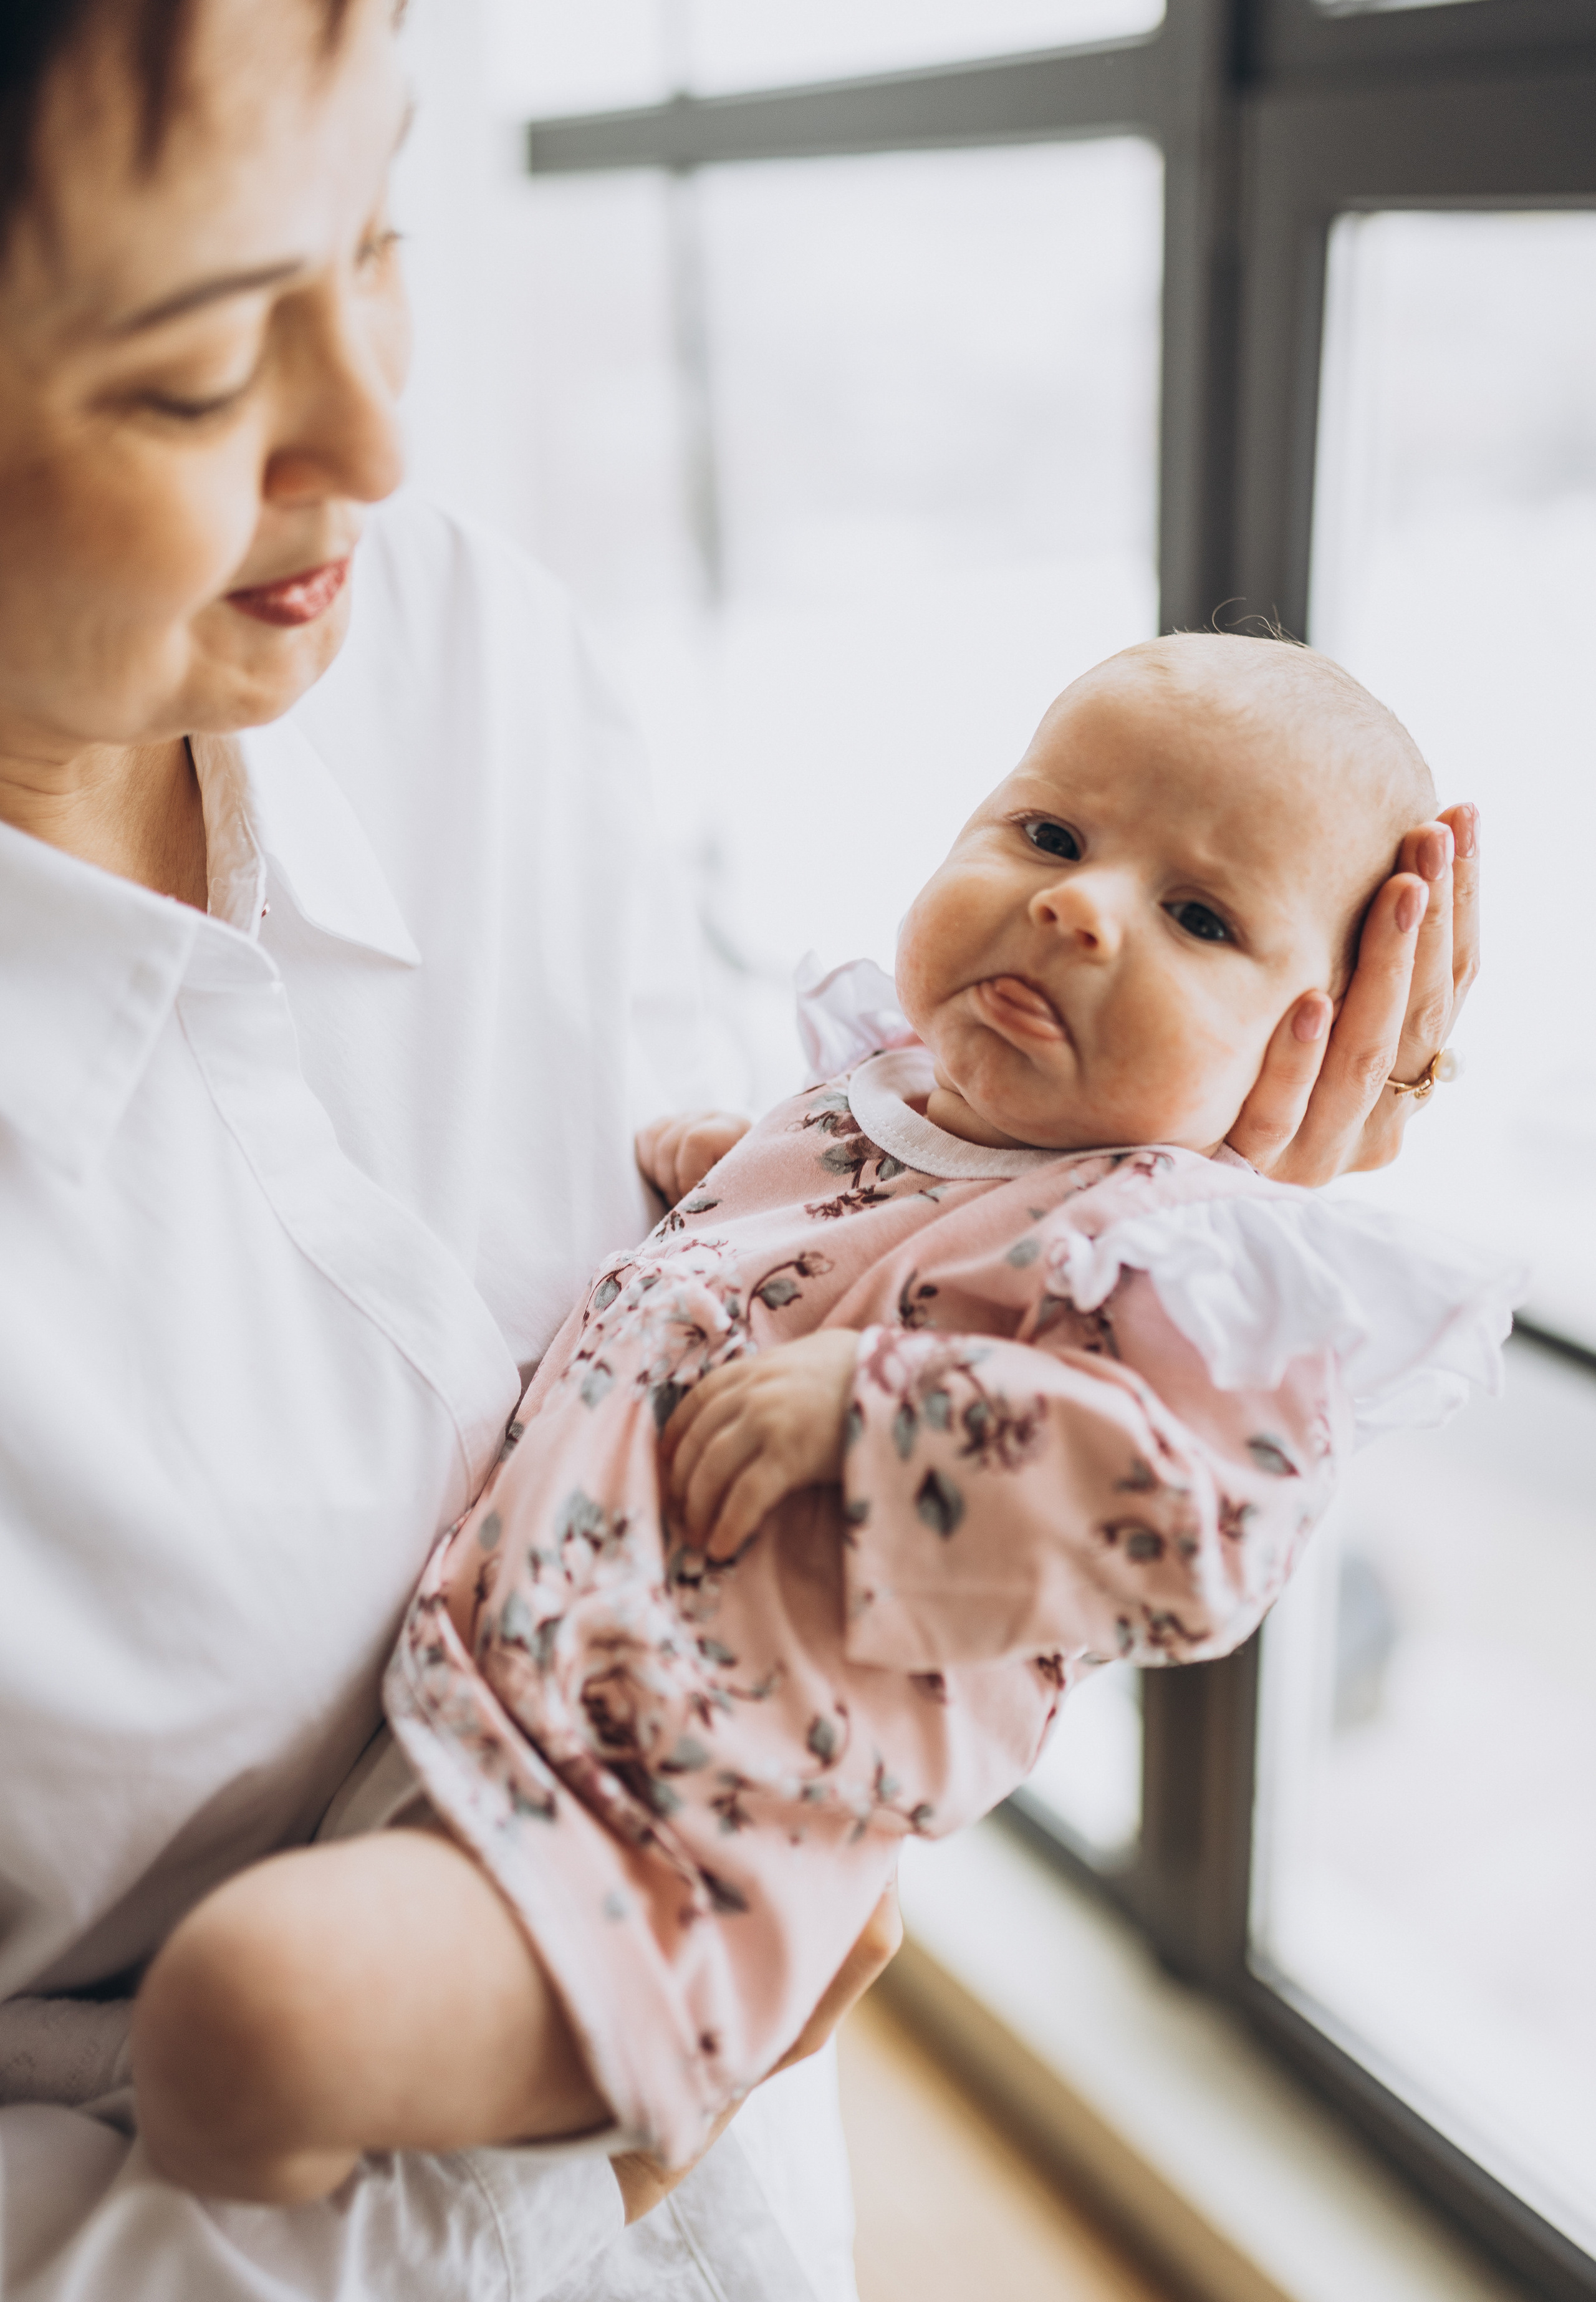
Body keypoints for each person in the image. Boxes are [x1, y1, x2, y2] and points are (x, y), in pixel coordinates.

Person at [0, 0, 1478, 2290]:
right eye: (187, 375)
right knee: (242, 2032)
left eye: (379, 224)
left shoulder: (456, 642)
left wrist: (1139, 1266)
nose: (379, 433)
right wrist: (574, 2151)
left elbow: (909, 1350)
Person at [126, 634, 1512, 2198]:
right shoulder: (895, 1106)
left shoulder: (1164, 1247)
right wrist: (734, 1193)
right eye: (1051, 833)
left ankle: (508, 2192)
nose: (1076, 903)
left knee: (239, 2019)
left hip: (677, 1837)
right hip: (494, 1709)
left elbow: (1198, 1533)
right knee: (216, 2000)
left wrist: (886, 1412)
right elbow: (846, 1235)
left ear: (1307, 1049)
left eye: (1197, 916)